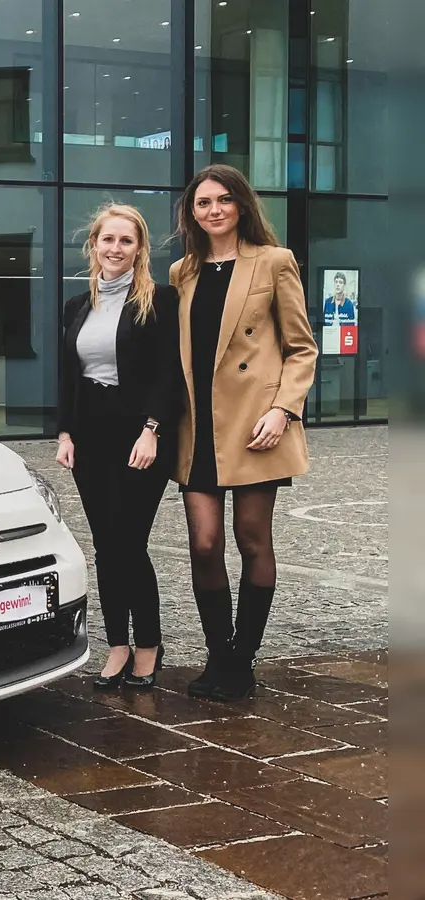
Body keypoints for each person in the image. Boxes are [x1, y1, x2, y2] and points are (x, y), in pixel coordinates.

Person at [169, 164, 317, 702]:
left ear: (241, 206)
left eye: (223, 200)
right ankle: (219, 653)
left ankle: (242, 660)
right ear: (192, 212)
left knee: (252, 541)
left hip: (258, 425)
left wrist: (283, 410)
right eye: (203, 202)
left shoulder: (274, 262)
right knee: (203, 544)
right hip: (198, 427)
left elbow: (302, 348)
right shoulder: (182, 271)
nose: (213, 210)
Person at [55, 203, 180, 691]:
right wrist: (65, 433)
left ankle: (149, 645)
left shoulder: (159, 301)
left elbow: (170, 373)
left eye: (126, 241)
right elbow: (69, 376)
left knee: (129, 544)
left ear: (139, 248)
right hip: (91, 440)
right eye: (108, 239)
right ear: (94, 245)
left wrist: (153, 429)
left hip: (140, 439)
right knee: (106, 548)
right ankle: (117, 646)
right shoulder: (77, 305)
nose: (115, 248)